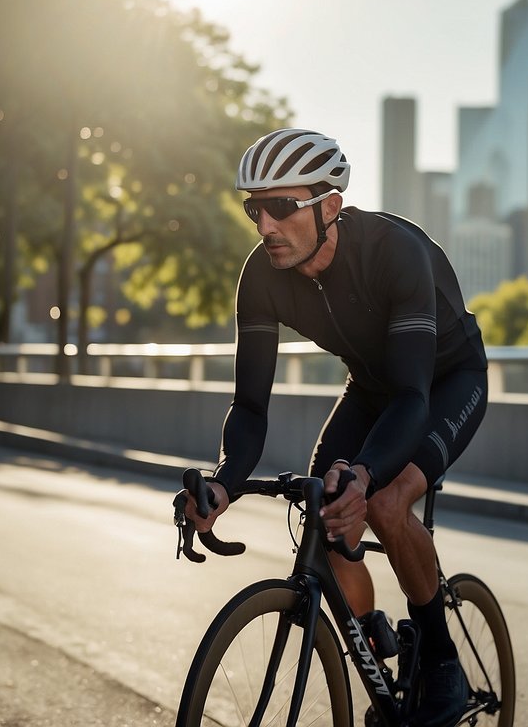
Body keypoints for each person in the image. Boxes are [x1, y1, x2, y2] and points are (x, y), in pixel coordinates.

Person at [179, 127, 489, 727]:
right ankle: (374, 642)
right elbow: (249, 407)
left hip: (442, 385)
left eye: (281, 207)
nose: (265, 225)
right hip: (374, 389)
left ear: (330, 207)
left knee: (384, 503)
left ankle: (442, 660)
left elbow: (410, 395)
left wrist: (368, 474)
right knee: (328, 512)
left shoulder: (395, 253)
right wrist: (224, 482)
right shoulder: (263, 275)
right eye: (254, 209)